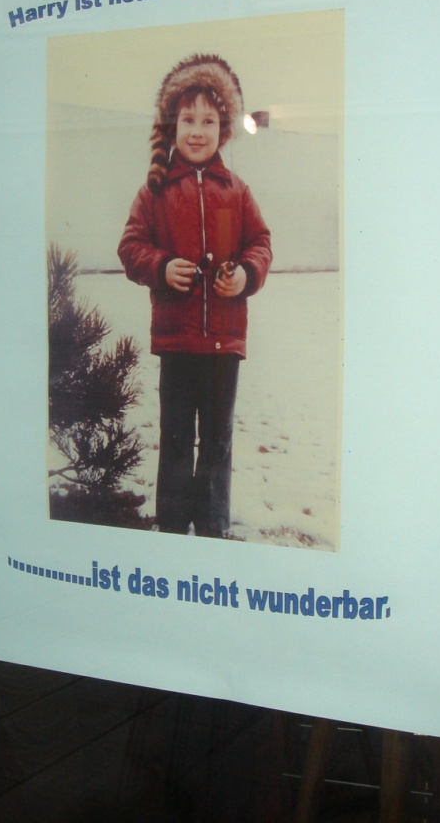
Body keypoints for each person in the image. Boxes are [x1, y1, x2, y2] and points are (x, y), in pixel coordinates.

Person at [118, 53, 272, 537]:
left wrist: (245, 274)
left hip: (225, 342)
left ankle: (212, 525)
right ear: (173, 126)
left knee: (218, 440)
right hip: (178, 341)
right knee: (177, 437)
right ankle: (171, 522)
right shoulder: (155, 192)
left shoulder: (237, 190)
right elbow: (131, 246)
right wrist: (161, 267)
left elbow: (260, 242)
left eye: (209, 121)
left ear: (224, 128)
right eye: (188, 120)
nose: (198, 131)